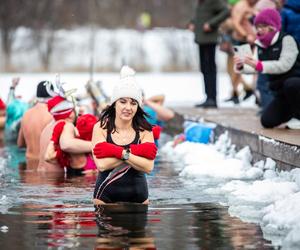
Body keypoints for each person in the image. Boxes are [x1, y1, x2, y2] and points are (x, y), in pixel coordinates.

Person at [92, 66, 157, 205]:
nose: (128, 107)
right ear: (114, 104)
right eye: (123, 101)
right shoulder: (101, 127)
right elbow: (102, 165)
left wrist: (118, 152)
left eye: (133, 103)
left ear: (138, 107)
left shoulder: (145, 130)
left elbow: (149, 167)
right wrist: (134, 154)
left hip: (139, 196)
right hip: (104, 196)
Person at [234, 8, 300, 128]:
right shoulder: (260, 45)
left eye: (263, 26)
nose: (259, 30)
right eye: (257, 26)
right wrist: (242, 66)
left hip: (295, 85)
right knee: (267, 121)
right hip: (282, 93)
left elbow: (284, 65)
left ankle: (298, 116)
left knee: (292, 84)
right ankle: (292, 112)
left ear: (272, 26)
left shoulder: (287, 40)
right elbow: (257, 67)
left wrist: (258, 64)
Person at [189, 0, 230, 108]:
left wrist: (211, 24)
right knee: (204, 68)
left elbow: (226, 11)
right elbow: (201, 15)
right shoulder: (201, 2)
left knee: (210, 69)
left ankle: (212, 98)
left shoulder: (213, 1)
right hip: (201, 39)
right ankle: (208, 97)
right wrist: (192, 22)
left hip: (209, 39)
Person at [39, 91, 92, 172]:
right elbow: (67, 145)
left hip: (40, 178)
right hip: (54, 180)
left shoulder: (47, 128)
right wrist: (96, 145)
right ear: (70, 114)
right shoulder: (66, 125)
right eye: (74, 110)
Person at [17, 81, 53, 161]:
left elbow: (20, 144)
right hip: (46, 164)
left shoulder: (26, 114)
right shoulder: (53, 115)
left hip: (29, 163)